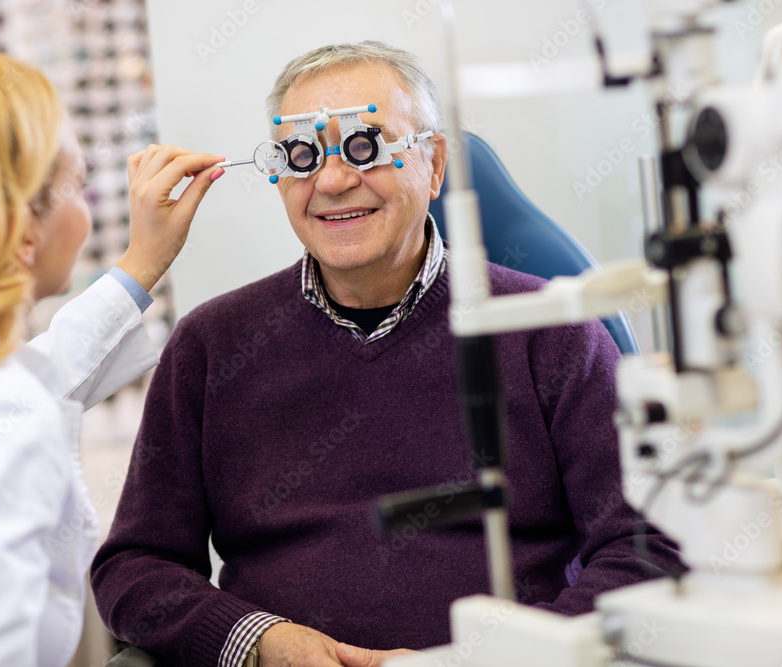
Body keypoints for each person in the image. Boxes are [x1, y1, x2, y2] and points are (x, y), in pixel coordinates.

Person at [91, 41, 685, 667]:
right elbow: (134, 567)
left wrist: (496, 659)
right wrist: (256, 642)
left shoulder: (550, 331)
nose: (333, 181)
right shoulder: (211, 347)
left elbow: (647, 548)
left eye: (364, 146)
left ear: (434, 164)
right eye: (303, 154)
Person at [0, 55, 224, 665]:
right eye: (78, 186)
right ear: (23, 228)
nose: (88, 207)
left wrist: (140, 266)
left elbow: (30, 378)